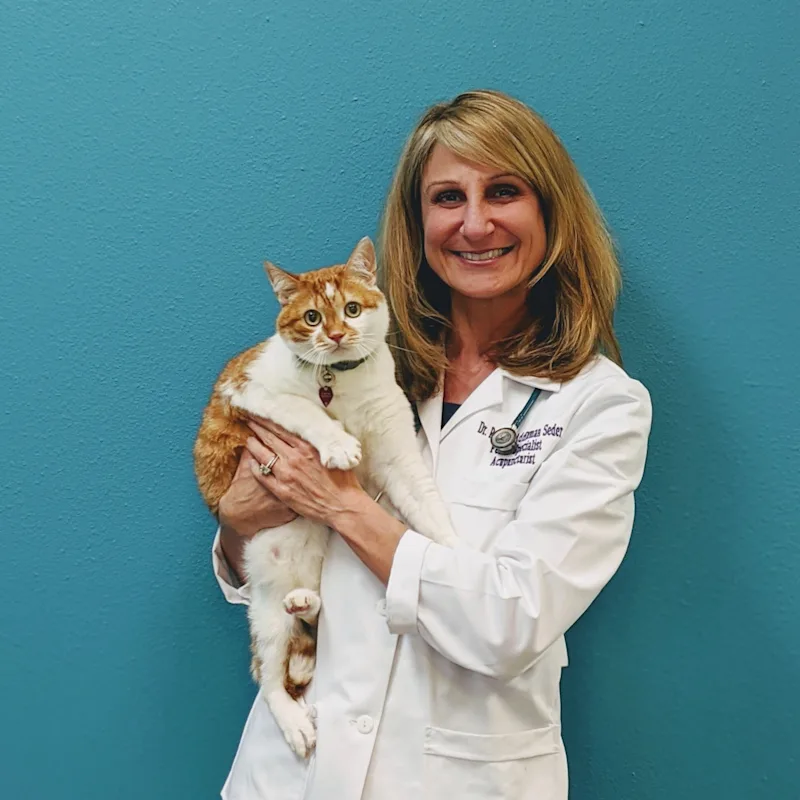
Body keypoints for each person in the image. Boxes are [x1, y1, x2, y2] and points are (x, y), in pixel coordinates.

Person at [212, 89, 652, 800]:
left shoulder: (600, 405)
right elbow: (263, 571)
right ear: (417, 225)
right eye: (448, 198)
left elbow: (511, 622)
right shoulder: (355, 365)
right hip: (291, 772)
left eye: (503, 191)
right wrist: (239, 524)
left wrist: (344, 507)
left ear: (550, 212)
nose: (475, 224)